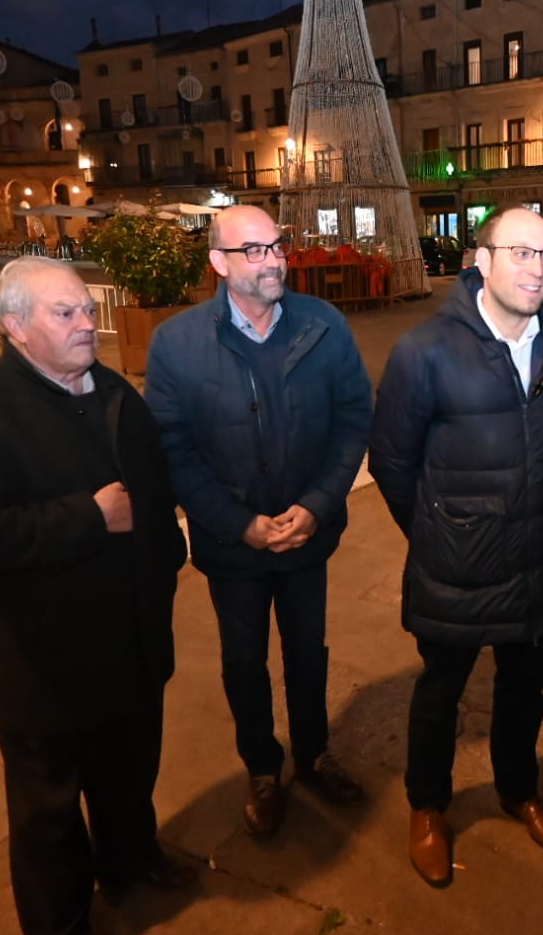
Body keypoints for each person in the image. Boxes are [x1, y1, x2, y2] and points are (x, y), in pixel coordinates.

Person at [0, 257, 197, 935]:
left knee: (128, 772)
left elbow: (154, 497)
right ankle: (61, 919)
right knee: (48, 808)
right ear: (14, 325)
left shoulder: (113, 393)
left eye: (86, 309)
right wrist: (89, 517)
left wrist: (166, 558)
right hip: (44, 659)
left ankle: (130, 861)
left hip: (131, 640)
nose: (87, 324)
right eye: (64, 313)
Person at [369, 206, 543, 888]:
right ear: (480, 261)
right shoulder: (424, 351)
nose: (537, 267)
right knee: (441, 691)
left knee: (525, 689)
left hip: (536, 557)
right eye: (520, 252)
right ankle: (427, 807)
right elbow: (392, 464)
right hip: (456, 565)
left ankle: (517, 790)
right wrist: (440, 529)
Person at [144, 204, 372, 839]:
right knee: (243, 660)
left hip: (307, 535)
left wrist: (318, 504)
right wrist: (236, 522)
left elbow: (355, 419)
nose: (275, 260)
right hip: (232, 546)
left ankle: (314, 754)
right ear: (218, 263)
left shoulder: (323, 325)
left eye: (277, 246)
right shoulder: (178, 344)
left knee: (308, 653)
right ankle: (263, 769)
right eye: (255, 251)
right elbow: (172, 450)